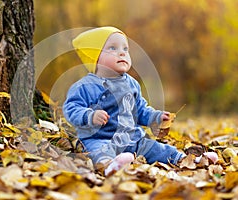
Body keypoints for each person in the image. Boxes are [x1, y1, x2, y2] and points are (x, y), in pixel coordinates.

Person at [63, 26, 185, 176]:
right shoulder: (84, 86)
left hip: (133, 138)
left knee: (155, 148)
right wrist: (89, 116)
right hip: (100, 138)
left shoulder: (132, 84)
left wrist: (156, 117)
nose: (122, 52)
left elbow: (140, 110)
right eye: (112, 48)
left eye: (125, 49)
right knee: (98, 151)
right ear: (95, 57)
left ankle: (185, 159)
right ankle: (110, 166)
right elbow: (71, 108)